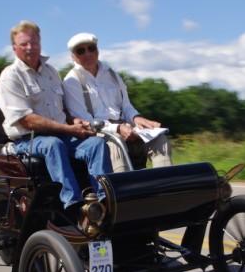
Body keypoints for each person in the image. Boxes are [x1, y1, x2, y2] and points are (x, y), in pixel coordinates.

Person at [0, 21, 111, 213]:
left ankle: (104, 200)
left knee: (96, 144)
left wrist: (74, 121)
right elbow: (27, 120)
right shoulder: (10, 77)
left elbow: (62, 110)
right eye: (24, 44)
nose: (30, 48)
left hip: (61, 134)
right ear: (15, 48)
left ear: (39, 42)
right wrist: (68, 128)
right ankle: (73, 205)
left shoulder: (51, 72)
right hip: (27, 140)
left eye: (34, 42)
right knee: (53, 145)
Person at [63, 32, 172, 172]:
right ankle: (126, 190)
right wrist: (117, 129)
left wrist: (137, 118)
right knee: (115, 144)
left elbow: (126, 106)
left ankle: (165, 187)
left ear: (97, 50)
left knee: (159, 139)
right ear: (73, 56)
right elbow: (85, 121)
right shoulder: (72, 81)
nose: (88, 53)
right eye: (81, 51)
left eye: (91, 48)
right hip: (99, 131)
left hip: (123, 125)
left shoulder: (112, 74)